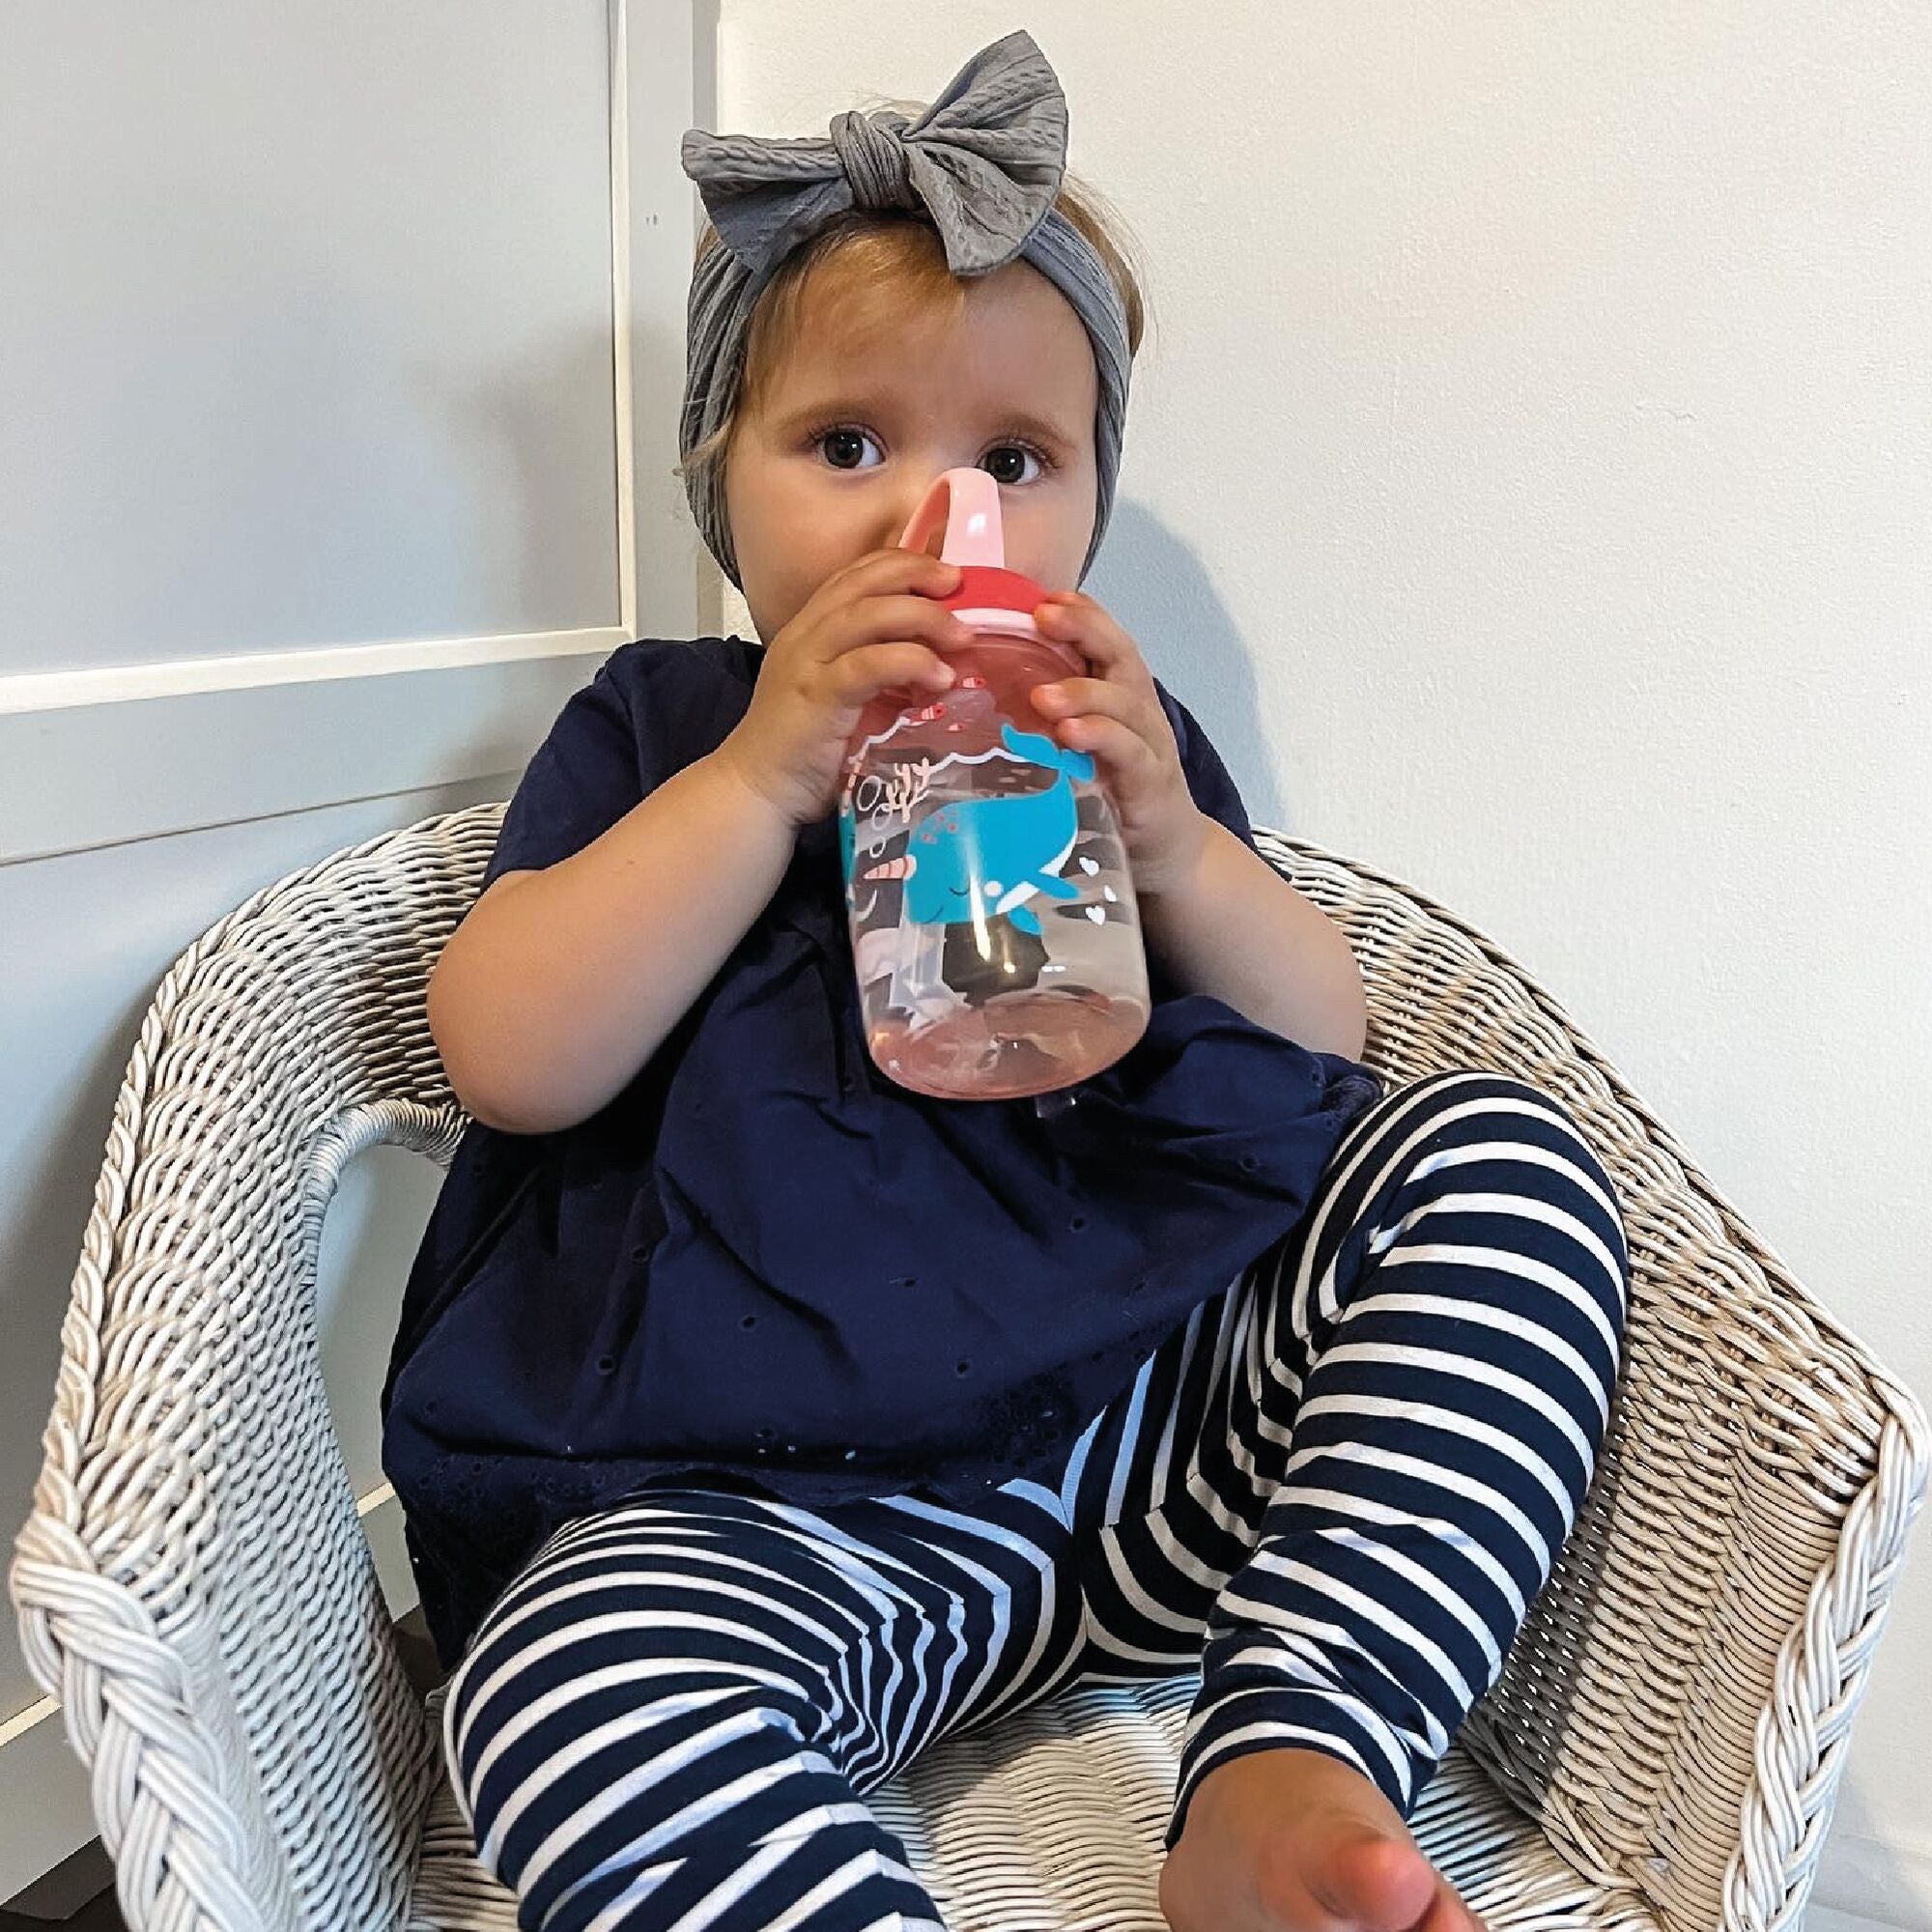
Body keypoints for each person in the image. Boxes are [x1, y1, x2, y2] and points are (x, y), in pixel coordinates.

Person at [381, 30, 1630, 1932]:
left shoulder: (1101, 740)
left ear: (1085, 512)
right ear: (721, 482)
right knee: (567, 1684)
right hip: (761, 1510)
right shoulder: (664, 730)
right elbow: (512, 1057)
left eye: (1015, 462)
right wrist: (757, 782)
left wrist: (1183, 851)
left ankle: (1287, 1754)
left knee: (1503, 1166)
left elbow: (1323, 1059)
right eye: (848, 447)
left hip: (1138, 1460)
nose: (930, 521)